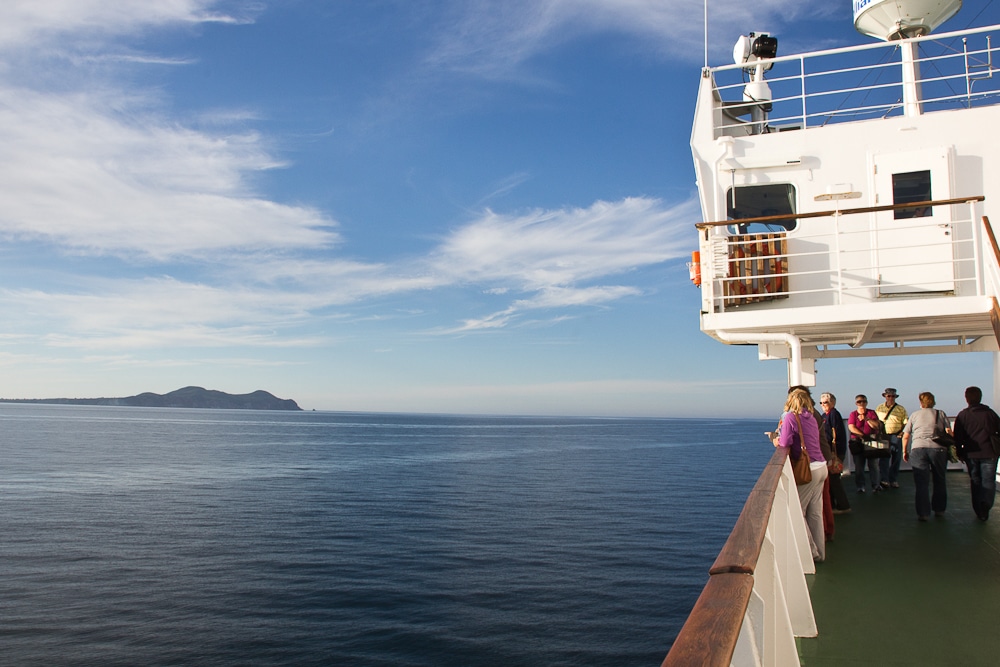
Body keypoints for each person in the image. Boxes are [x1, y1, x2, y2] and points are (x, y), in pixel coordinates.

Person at [776, 388, 829, 562]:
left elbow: (784, 442)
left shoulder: (791, 417)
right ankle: (820, 553)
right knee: (815, 513)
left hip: (809, 469)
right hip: (822, 466)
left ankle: (812, 551)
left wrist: (776, 440)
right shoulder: (812, 417)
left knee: (796, 511)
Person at [952, 386, 1000, 521]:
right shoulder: (990, 413)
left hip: (971, 454)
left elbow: (958, 438)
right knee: (989, 480)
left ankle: (979, 510)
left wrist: (960, 453)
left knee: (976, 481)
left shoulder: (963, 415)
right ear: (980, 397)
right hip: (990, 452)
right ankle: (986, 504)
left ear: (966, 398)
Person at [902, 392, 949, 521]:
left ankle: (923, 513)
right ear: (933, 401)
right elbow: (948, 432)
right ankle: (939, 509)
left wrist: (904, 451)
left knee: (921, 483)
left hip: (918, 448)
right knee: (939, 479)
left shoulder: (914, 415)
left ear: (921, 402)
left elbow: (906, 436)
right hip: (938, 449)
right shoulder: (941, 414)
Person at [820, 392, 850, 513]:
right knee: (831, 479)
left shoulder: (833, 414)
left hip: (834, 452)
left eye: (825, 402)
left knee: (834, 479)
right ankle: (832, 505)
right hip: (830, 452)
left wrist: (833, 453)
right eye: (821, 403)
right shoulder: (824, 415)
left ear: (832, 402)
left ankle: (843, 505)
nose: (823, 405)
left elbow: (835, 435)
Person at [848, 394, 883, 493]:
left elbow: (877, 426)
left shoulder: (871, 413)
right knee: (859, 466)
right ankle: (860, 486)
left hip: (871, 443)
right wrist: (863, 436)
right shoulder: (853, 414)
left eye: (863, 401)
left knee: (874, 465)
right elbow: (851, 427)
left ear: (866, 403)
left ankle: (875, 485)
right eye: (859, 402)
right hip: (858, 443)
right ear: (856, 403)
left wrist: (867, 419)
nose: (862, 403)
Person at [875, 388, 907, 489]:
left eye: (893, 396)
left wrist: (901, 433)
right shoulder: (879, 408)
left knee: (896, 458)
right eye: (889, 396)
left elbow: (906, 423)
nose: (890, 398)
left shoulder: (901, 409)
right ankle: (884, 480)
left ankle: (893, 479)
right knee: (883, 458)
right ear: (885, 396)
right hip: (883, 436)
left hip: (896, 435)